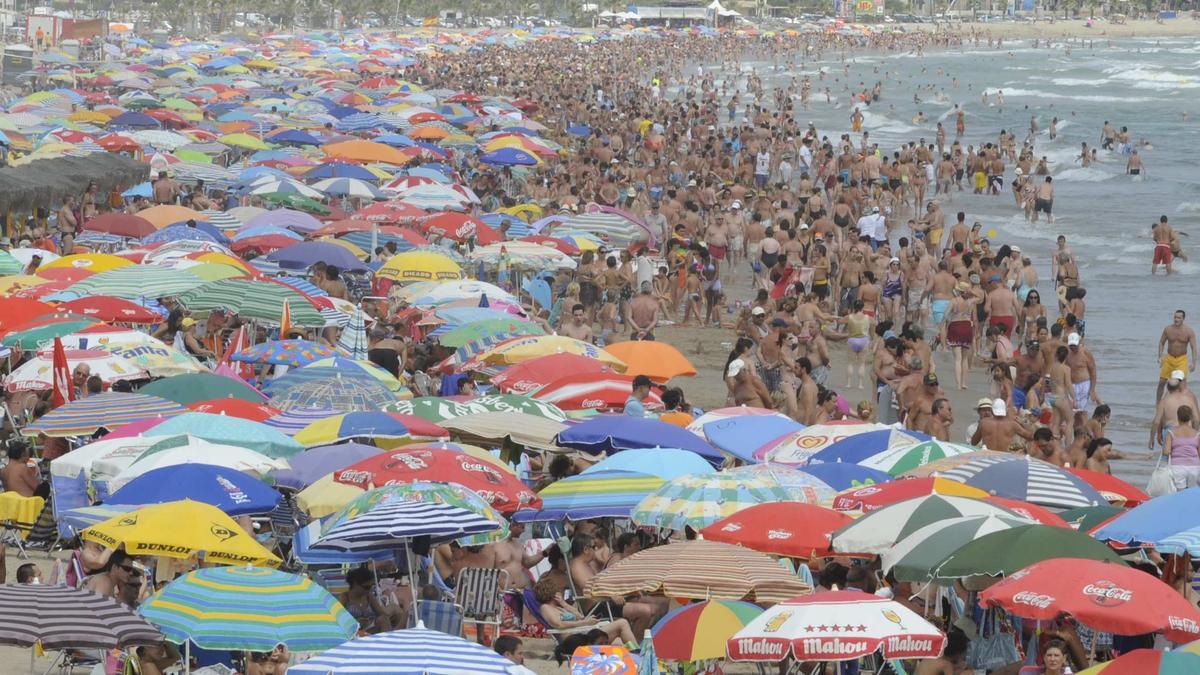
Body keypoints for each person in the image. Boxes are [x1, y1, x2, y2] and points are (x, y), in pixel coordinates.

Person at [531, 574, 636, 648]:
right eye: (558, 590)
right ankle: (640, 656)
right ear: (552, 592)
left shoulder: (559, 607)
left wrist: (564, 604)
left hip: (581, 633)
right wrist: (585, 623)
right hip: (573, 639)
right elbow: (559, 625)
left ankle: (632, 662)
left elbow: (580, 616)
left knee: (618, 642)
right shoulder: (545, 607)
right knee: (622, 623)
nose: (561, 592)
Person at [339, 566, 403, 635]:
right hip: (354, 632)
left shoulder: (368, 596)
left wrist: (391, 615)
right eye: (366, 587)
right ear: (355, 584)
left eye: (371, 586)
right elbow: (339, 619)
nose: (369, 589)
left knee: (386, 617)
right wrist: (354, 622)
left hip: (369, 630)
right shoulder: (345, 597)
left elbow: (381, 613)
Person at [1157, 309, 1196, 401]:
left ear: (1183, 319)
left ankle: (1182, 404)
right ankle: (1158, 404)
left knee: (1182, 385)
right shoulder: (1168, 329)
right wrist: (1160, 356)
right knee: (1161, 383)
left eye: (1178, 317)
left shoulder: (1189, 331)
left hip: (1181, 360)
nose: (1176, 319)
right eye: (1175, 317)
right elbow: (1161, 343)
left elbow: (1193, 347)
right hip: (1169, 358)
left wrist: (1194, 363)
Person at [1164, 405, 1200, 490]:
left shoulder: (1171, 432)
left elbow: (1166, 451)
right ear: (1190, 418)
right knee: (1192, 492)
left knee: (1179, 493)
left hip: (1177, 467)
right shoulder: (1197, 434)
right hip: (1194, 467)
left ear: (1178, 417)